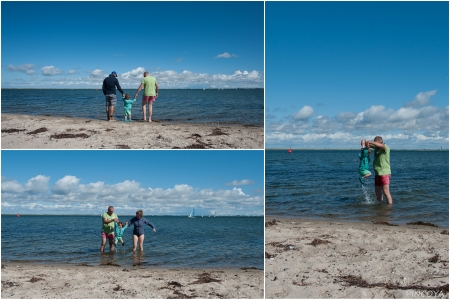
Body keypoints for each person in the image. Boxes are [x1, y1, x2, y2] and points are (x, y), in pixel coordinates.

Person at [368, 136, 392, 205]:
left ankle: (389, 207)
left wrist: (372, 142)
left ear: (381, 142)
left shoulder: (385, 147)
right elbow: (368, 144)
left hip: (385, 173)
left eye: (376, 143)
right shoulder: (376, 148)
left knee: (386, 192)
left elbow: (380, 145)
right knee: (377, 191)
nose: (375, 145)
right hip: (377, 173)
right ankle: (380, 206)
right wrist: (367, 144)